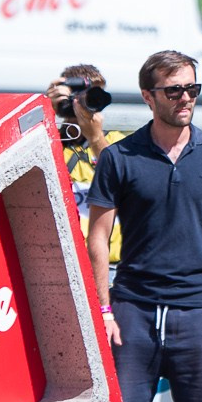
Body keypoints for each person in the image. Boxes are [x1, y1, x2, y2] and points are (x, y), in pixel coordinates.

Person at [86, 50, 202, 402]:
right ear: (149, 96)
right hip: (133, 310)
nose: (186, 98)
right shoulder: (118, 157)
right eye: (174, 90)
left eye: (192, 88)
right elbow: (97, 238)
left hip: (199, 310)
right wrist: (103, 310)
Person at [49, 65, 122, 260]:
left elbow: (120, 176)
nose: (82, 104)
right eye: (75, 98)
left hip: (114, 262)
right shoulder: (49, 142)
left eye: (93, 97)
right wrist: (45, 111)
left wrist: (95, 135)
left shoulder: (117, 142)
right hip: (67, 260)